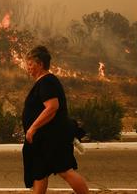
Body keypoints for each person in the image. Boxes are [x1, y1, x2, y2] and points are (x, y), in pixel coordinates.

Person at [22, 45, 88, 194]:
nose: (28, 68)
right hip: (42, 139)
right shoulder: (43, 82)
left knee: (65, 171)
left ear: (40, 64)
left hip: (53, 137)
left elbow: (52, 107)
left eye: (31, 64)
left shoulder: (47, 82)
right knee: (39, 173)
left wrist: (33, 128)